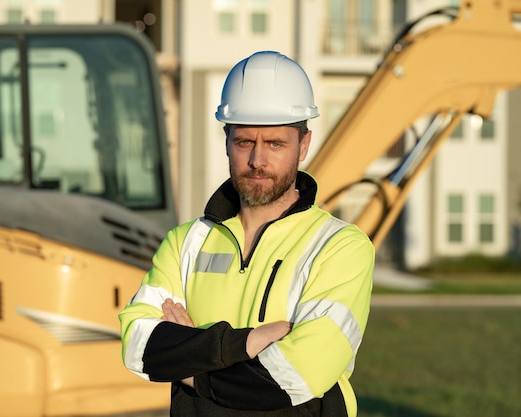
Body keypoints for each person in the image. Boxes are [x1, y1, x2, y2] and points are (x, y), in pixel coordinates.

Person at [119, 50, 375, 417]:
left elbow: (295, 376)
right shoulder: (184, 242)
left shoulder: (340, 248)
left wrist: (189, 361)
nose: (257, 160)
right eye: (244, 142)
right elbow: (137, 346)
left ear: (304, 145)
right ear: (226, 140)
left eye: (275, 144)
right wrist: (249, 343)